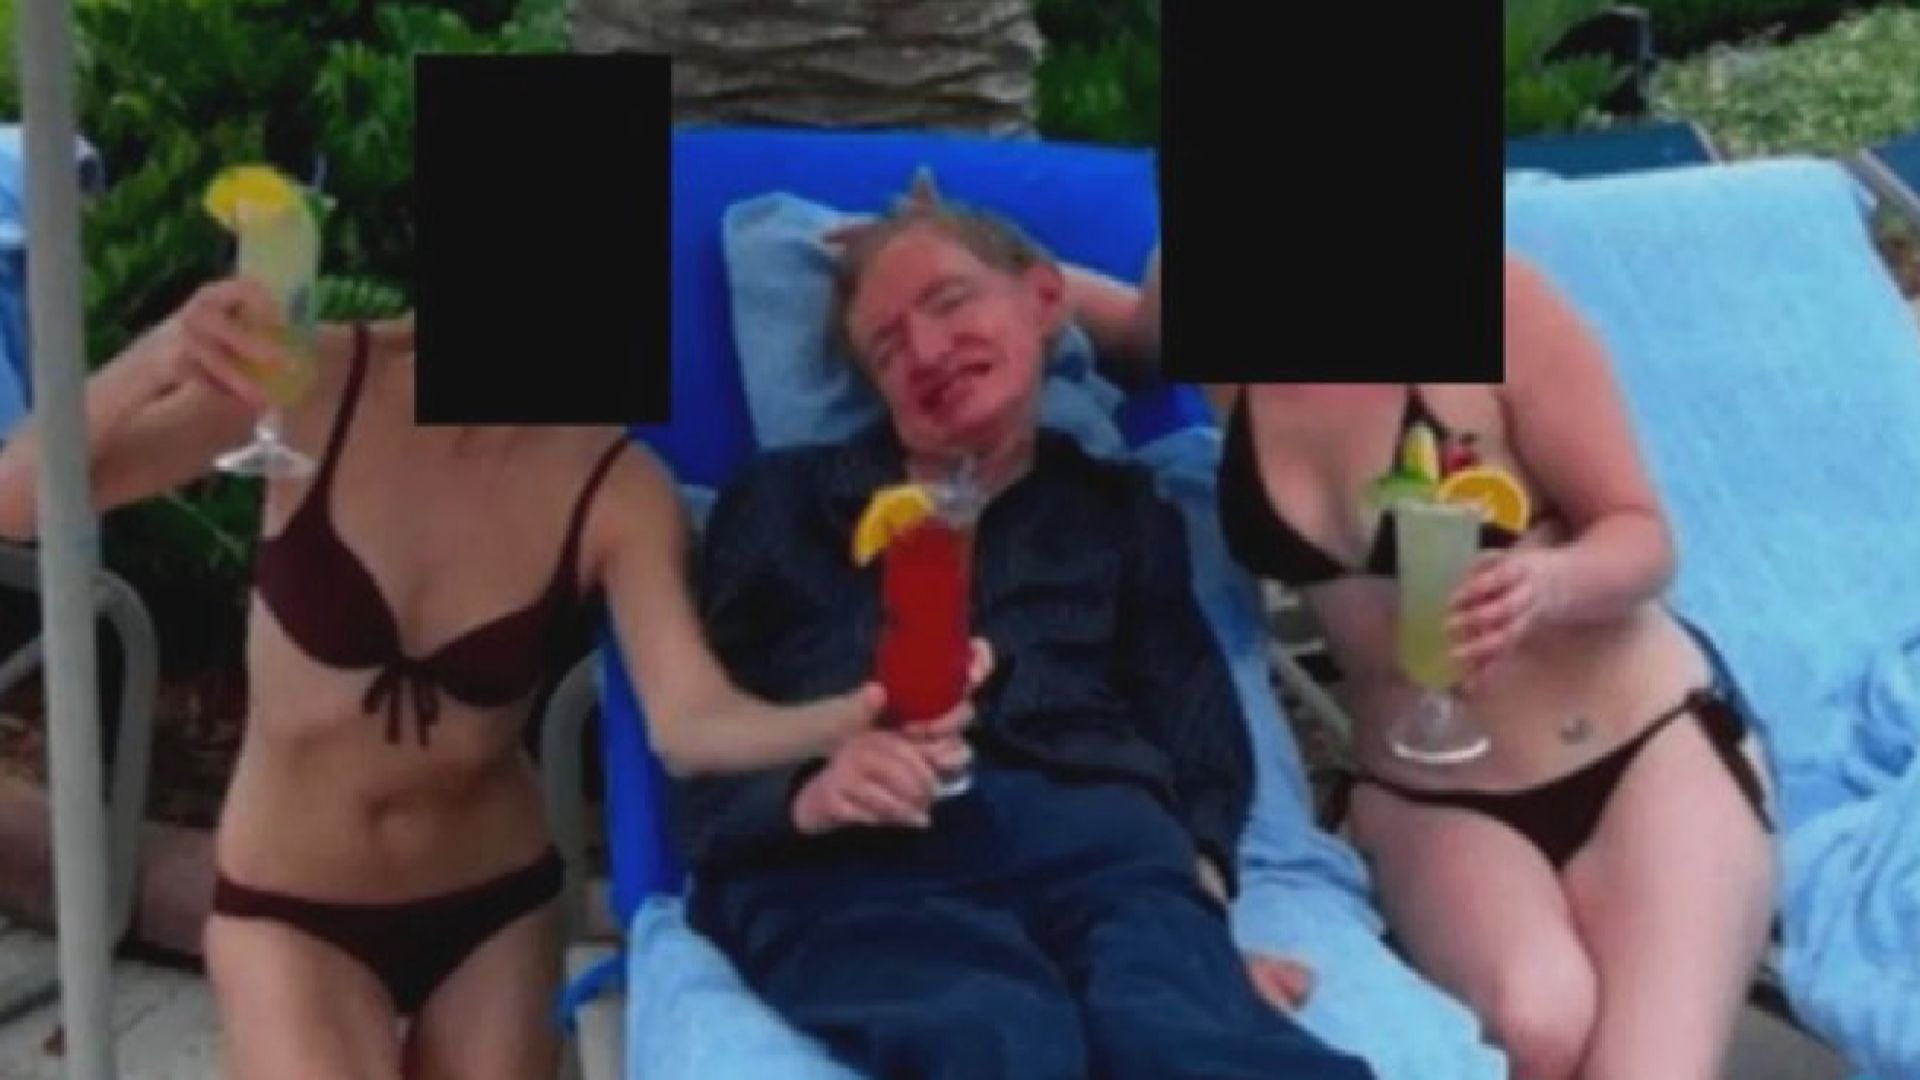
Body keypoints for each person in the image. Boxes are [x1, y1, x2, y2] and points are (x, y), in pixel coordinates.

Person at [0, 283, 943, 1079]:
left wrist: (848, 718)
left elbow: (686, 718)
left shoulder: (614, 481)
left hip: (492, 908)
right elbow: (18, 500)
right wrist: (160, 355)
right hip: (291, 905)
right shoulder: (316, 381)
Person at [671, 174, 1375, 1080]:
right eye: (887, 346)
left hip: (1103, 848)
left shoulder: (1120, 510)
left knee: (1190, 1040)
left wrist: (1197, 903)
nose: (926, 351)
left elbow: (1192, 711)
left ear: (1045, 301)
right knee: (998, 1041)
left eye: (950, 301)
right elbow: (704, 726)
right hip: (856, 863)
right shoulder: (783, 502)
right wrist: (803, 793)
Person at [1069, 250, 1779, 1079]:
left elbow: (1642, 536)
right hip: (1431, 792)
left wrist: (1550, 583)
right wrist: (953, 256)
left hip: (1637, 751)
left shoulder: (1497, 299)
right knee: (1537, 1024)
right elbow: (1124, 332)